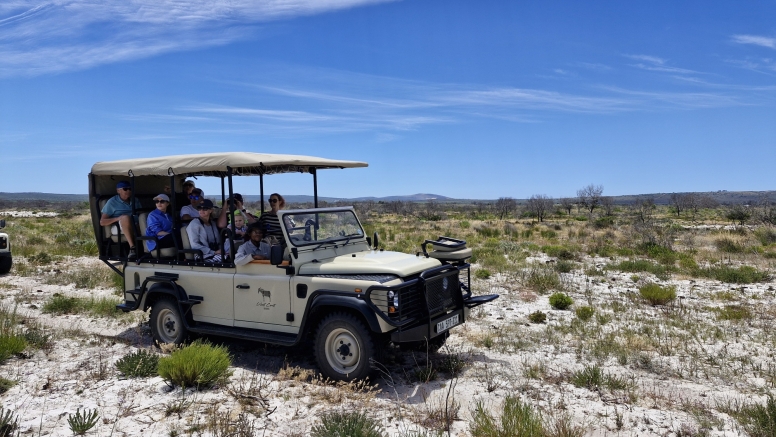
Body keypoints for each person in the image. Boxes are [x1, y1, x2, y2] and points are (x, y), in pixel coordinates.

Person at [100, 181, 142, 259]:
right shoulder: (112, 202)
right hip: (119, 225)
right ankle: (132, 248)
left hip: (136, 223)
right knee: (125, 217)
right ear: (118, 191)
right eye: (125, 189)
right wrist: (118, 218)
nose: (128, 191)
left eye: (130, 189)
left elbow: (140, 214)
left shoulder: (135, 200)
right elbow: (102, 222)